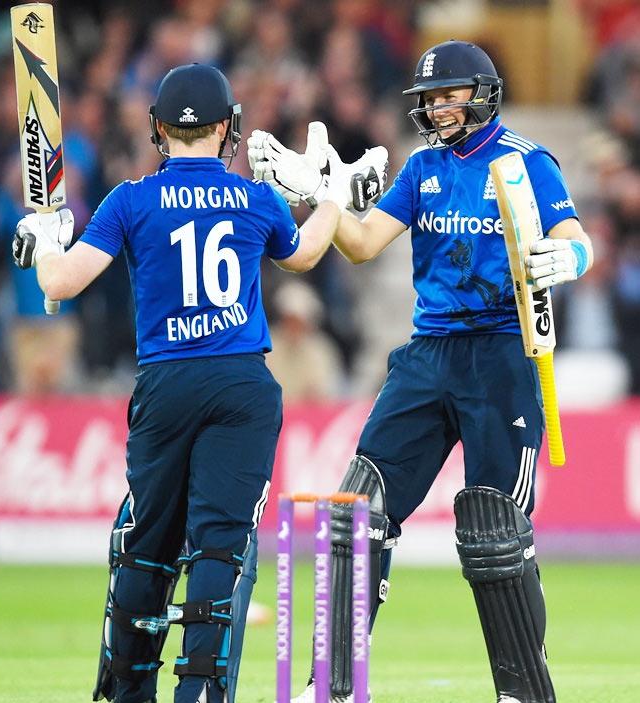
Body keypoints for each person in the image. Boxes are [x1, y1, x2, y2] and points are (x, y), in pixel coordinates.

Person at [11, 64, 387, 703]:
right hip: (242, 387)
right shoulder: (253, 197)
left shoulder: (129, 198)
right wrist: (333, 198)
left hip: (165, 384)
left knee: (148, 546)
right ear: (227, 130)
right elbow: (302, 254)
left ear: (159, 128)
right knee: (221, 550)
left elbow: (59, 284)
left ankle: (129, 692)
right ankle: (202, 694)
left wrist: (45, 241)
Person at [248, 40, 594, 703]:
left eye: (448, 94)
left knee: (495, 533)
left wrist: (566, 259)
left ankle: (523, 692)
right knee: (357, 509)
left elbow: (576, 236)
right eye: (429, 98)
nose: (436, 107)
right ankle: (336, 685)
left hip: (501, 355)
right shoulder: (423, 167)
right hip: (429, 354)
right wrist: (323, 197)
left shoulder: (525, 162)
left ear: (482, 93)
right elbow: (363, 243)